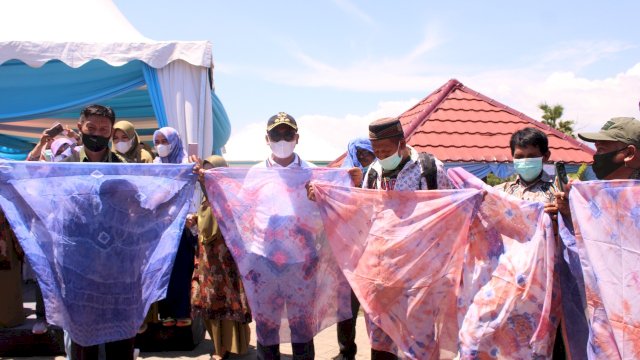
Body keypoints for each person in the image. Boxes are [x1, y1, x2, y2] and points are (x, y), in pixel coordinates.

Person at [364, 117, 451, 359]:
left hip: (420, 269)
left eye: (386, 150)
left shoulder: (428, 168)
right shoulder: (373, 172)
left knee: (419, 335)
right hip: (383, 269)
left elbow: (449, 210)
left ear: (402, 143)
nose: (381, 155)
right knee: (382, 334)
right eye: (376, 151)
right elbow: (366, 212)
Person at [62, 105, 135, 360]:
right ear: (80, 126)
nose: (97, 133)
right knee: (83, 340)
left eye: (103, 129)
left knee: (120, 338)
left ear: (111, 132)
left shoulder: (125, 167)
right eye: (91, 128)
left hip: (117, 266)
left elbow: (141, 206)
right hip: (78, 266)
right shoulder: (63, 166)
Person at [192, 155, 252, 360]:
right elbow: (206, 224)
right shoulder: (207, 196)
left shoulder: (228, 195)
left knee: (226, 303)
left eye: (212, 172)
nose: (207, 176)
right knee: (209, 303)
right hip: (208, 261)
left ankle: (224, 349)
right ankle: (221, 346)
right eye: (205, 172)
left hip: (224, 261)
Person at [333, 137, 375, 360]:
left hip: (374, 255)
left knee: (376, 309)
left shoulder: (379, 178)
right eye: (359, 156)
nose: (363, 160)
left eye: (368, 155)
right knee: (346, 309)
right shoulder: (339, 180)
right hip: (346, 256)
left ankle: (382, 352)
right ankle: (345, 351)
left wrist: (363, 184)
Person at [153, 127, 197, 328]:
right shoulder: (154, 165)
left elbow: (193, 193)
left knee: (181, 269)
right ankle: (166, 313)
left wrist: (189, 215)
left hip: (182, 226)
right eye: (158, 141)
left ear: (175, 141)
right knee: (163, 269)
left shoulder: (187, 163)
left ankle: (182, 311)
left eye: (165, 141)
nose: (161, 145)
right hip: (160, 226)